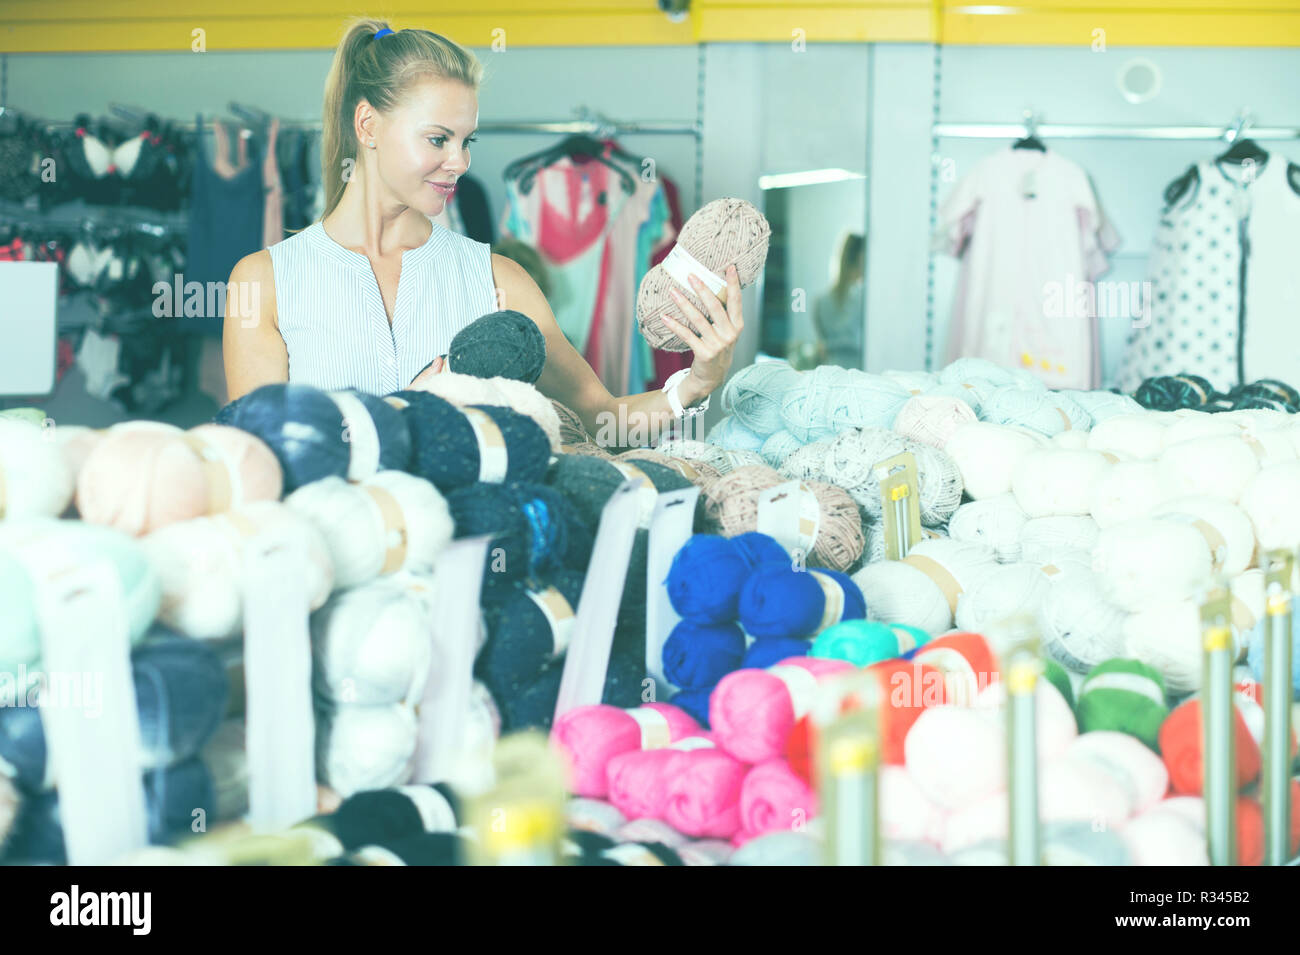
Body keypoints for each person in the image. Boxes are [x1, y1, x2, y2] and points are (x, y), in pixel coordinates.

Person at [222, 18, 742, 445]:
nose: (460, 161)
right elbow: (259, 460)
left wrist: (696, 382)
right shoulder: (264, 283)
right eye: (438, 138)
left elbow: (602, 418)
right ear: (367, 126)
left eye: (467, 140)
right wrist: (404, 412)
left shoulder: (499, 281)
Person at [811, 232, 865, 369]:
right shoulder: (862, 299)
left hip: (829, 374)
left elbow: (821, 347)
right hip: (857, 374)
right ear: (860, 258)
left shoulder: (820, 301)